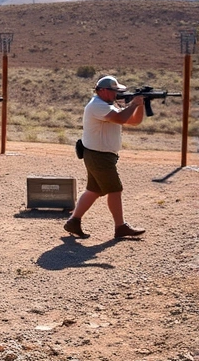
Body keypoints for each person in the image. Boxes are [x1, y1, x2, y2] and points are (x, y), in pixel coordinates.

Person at [63, 75, 146, 240]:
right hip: (98, 156)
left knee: (94, 190)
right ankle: (120, 226)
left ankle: (74, 221)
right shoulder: (97, 106)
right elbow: (121, 118)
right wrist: (133, 104)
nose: (116, 94)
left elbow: (134, 121)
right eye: (114, 91)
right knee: (115, 189)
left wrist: (140, 106)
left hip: (100, 155)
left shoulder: (108, 105)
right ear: (103, 91)